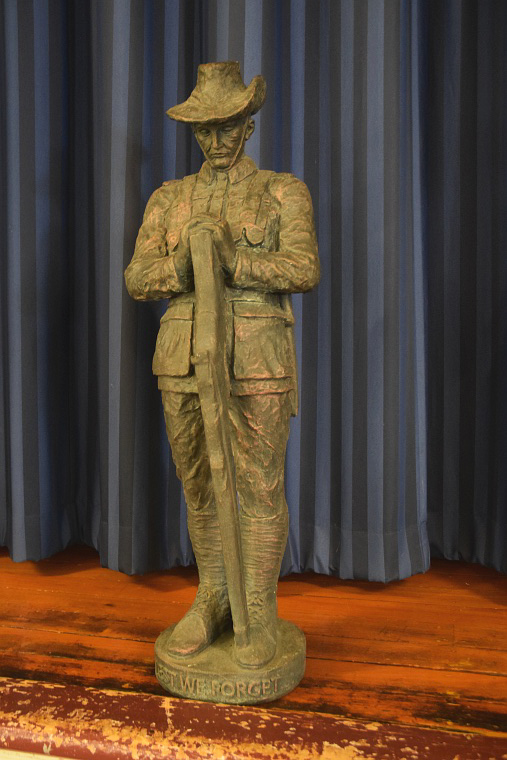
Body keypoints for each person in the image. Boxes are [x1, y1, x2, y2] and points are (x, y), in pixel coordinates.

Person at [125, 61, 319, 669]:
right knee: (200, 483)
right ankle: (212, 597)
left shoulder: (282, 191)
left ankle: (256, 607)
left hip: (257, 359)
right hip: (182, 359)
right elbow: (137, 277)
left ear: (248, 126)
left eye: (226, 127)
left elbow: (303, 267)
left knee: (259, 485)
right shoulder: (169, 198)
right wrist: (180, 266)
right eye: (203, 130)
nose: (214, 140)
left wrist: (236, 260)